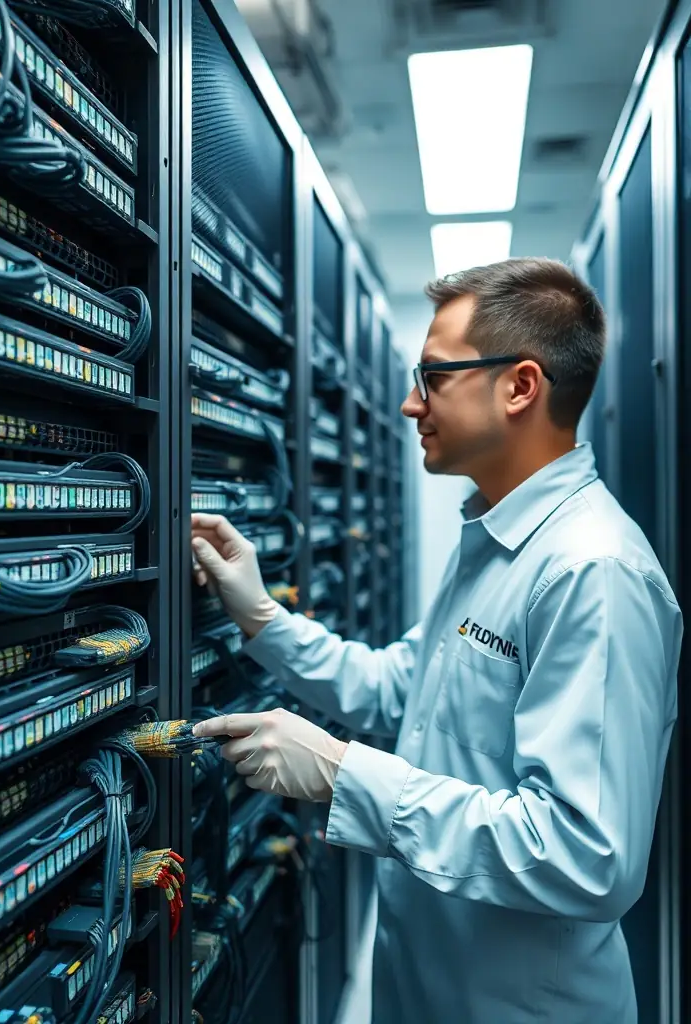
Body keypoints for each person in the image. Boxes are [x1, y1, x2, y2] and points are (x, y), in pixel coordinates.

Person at [190, 257, 682, 1024]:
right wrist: (261, 616)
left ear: (520, 386)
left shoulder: (593, 572)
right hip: (427, 986)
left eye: (433, 376)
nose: (408, 402)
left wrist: (343, 775)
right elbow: (400, 688)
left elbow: (588, 857)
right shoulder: (494, 534)